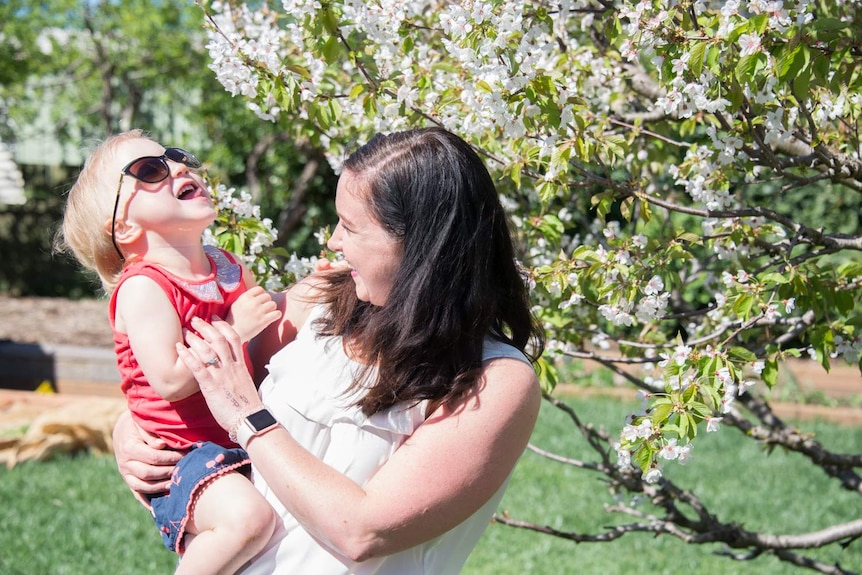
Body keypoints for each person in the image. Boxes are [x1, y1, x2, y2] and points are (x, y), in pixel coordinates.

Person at [114, 127, 546, 574]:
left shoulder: (494, 383)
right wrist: (130, 433)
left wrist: (248, 417)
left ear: (420, 245)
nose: (334, 242)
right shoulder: (321, 301)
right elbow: (192, 380)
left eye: (351, 227)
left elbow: (362, 531)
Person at [60, 130, 281, 574]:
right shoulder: (145, 287)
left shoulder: (228, 266)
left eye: (177, 158)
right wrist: (237, 330)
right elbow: (172, 381)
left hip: (235, 433)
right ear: (123, 226)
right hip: (183, 452)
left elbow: (270, 339)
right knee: (247, 521)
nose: (179, 168)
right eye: (149, 170)